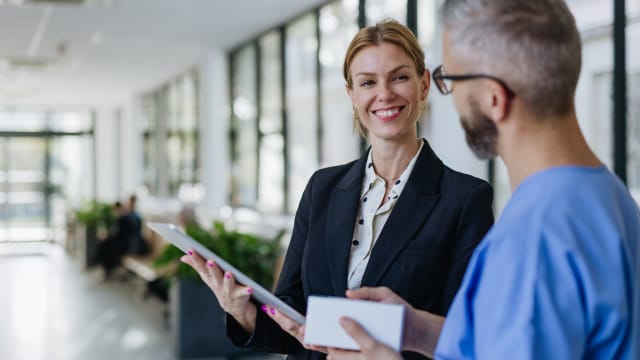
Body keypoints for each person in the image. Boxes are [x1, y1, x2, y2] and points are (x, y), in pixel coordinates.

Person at [327, 1, 640, 359]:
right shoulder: (608, 195)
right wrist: (418, 328)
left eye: (450, 79)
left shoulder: (532, 239)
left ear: (494, 98)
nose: (452, 98)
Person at [182, 19, 494, 360]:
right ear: (352, 95)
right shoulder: (322, 188)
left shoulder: (465, 199)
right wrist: (244, 313)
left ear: (423, 85)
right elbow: (292, 317)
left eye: (399, 77)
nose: (384, 93)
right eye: (368, 82)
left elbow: (462, 337)